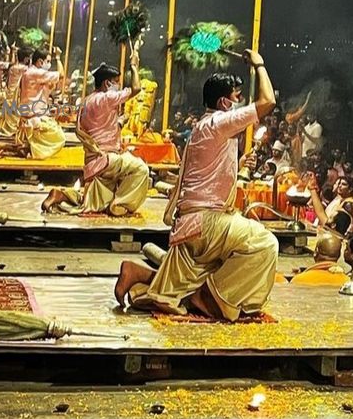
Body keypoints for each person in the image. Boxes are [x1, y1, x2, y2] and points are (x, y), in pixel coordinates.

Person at [114, 50, 278, 319]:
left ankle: (139, 273)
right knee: (265, 243)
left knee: (206, 272)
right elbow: (268, 101)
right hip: (205, 223)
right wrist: (259, 64)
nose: (241, 103)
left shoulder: (205, 125)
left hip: (191, 224)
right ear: (225, 102)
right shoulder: (218, 122)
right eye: (237, 97)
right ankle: (213, 300)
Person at [41, 49, 148, 217]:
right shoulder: (106, 98)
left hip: (92, 161)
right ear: (107, 84)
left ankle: (61, 194)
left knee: (96, 200)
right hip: (106, 160)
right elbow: (136, 88)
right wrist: (134, 65)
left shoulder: (86, 102)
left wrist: (120, 121)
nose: (118, 86)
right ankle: (120, 204)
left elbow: (97, 129)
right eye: (116, 82)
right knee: (141, 169)